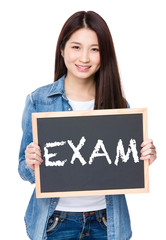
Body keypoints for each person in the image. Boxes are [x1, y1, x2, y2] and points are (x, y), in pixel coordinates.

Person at [18, 11, 157, 240]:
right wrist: (32, 163)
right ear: (62, 49)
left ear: (105, 55)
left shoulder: (119, 106)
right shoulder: (38, 101)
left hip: (106, 222)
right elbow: (23, 169)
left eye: (95, 49)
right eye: (76, 47)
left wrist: (144, 157)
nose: (84, 58)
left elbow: (125, 166)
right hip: (55, 223)